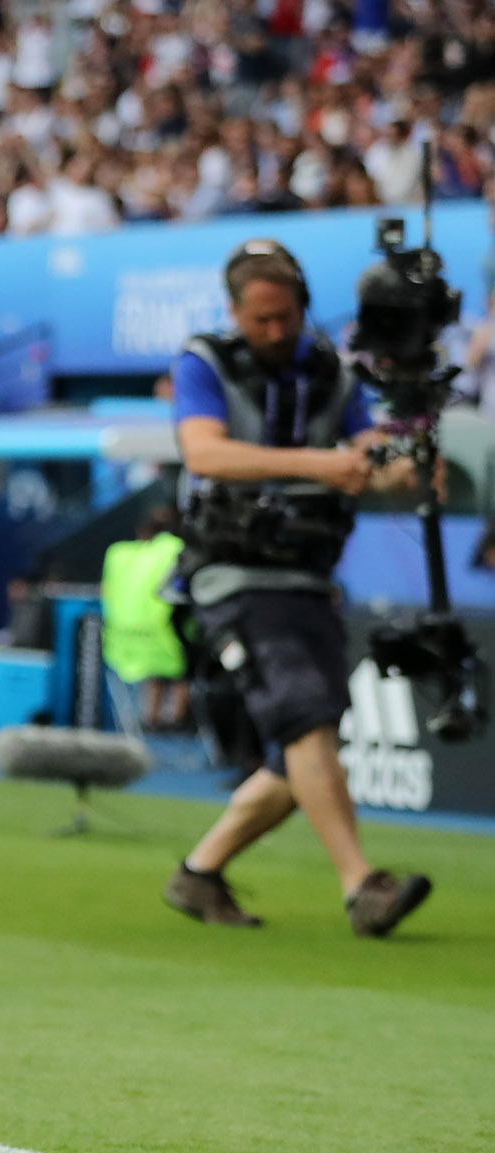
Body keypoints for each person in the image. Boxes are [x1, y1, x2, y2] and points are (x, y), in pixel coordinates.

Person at [164, 239, 433, 937]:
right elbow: (204, 451)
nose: (276, 332)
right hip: (233, 570)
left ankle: (199, 872)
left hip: (310, 575)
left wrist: (397, 467)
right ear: (234, 312)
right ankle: (361, 885)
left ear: (304, 308)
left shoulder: (336, 374)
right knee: (305, 719)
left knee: (299, 755)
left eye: (286, 317)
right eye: (261, 320)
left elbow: (366, 456)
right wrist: (321, 462)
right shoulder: (204, 363)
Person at [101, 507, 189, 731]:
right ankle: (178, 718)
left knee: (156, 670)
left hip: (123, 645)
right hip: (169, 644)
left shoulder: (119, 554)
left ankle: (152, 717)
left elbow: (106, 593)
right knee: (186, 653)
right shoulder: (176, 550)